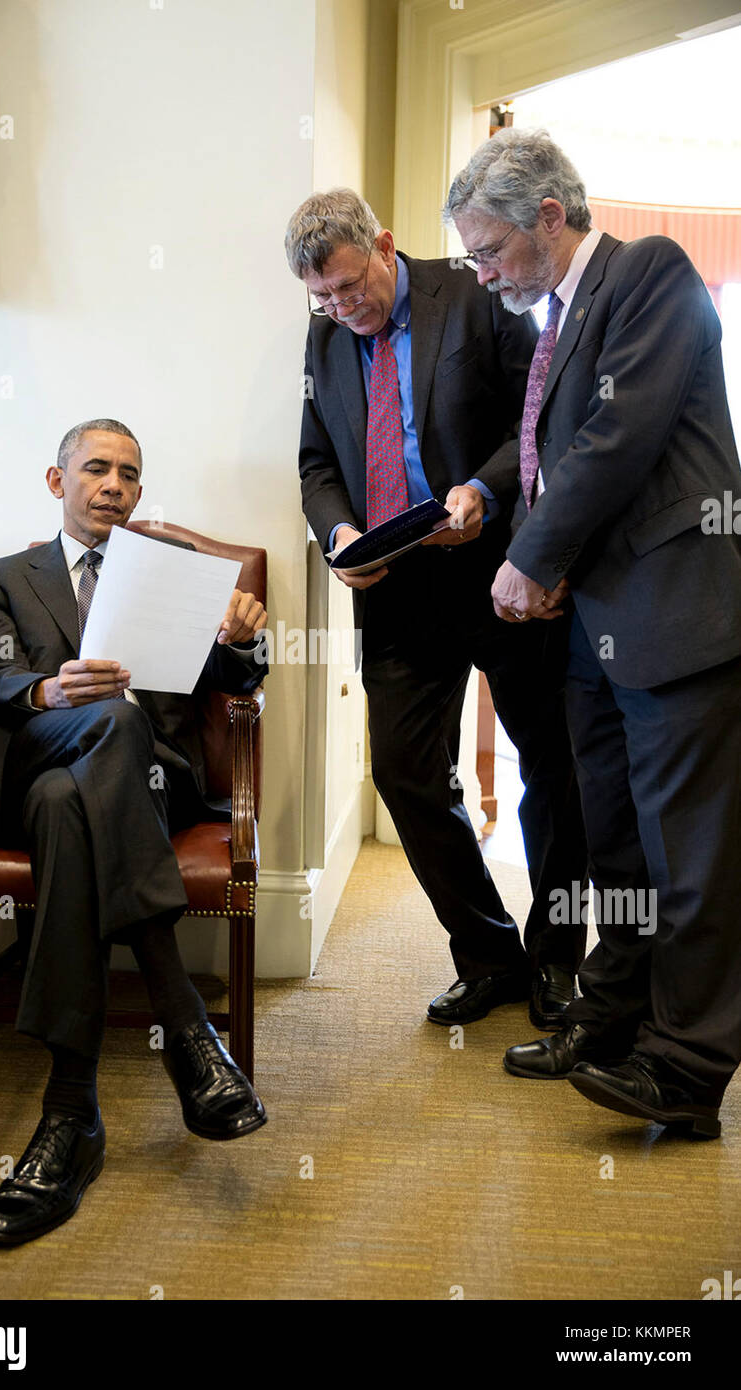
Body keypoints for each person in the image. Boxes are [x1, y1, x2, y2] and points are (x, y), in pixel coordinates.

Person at [445, 128, 741, 1137]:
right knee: (612, 843)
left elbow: (616, 440)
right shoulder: (555, 317)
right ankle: (610, 1019)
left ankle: (689, 1066)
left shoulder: (647, 273)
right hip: (595, 628)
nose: (482, 277)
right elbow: (553, 457)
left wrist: (525, 560)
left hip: (673, 615)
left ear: (547, 216)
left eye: (487, 253)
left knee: (687, 856)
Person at [0, 418, 269, 1245]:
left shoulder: (175, 576)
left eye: (130, 473)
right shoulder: (4, 576)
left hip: (142, 787)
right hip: (31, 755)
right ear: (59, 482)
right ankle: (185, 1025)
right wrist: (50, 693)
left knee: (80, 790)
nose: (115, 486)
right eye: (97, 469)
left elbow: (236, 677)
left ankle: (70, 1118)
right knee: (104, 727)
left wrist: (243, 634)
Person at [285, 189, 588, 1032]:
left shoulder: (471, 292)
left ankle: (559, 956)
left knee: (551, 765)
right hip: (396, 586)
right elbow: (315, 462)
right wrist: (338, 530)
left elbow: (541, 415)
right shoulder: (323, 337)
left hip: (500, 573)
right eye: (323, 299)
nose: (341, 310)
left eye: (349, 287)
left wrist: (485, 491)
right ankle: (490, 953)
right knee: (408, 774)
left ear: (384, 245)